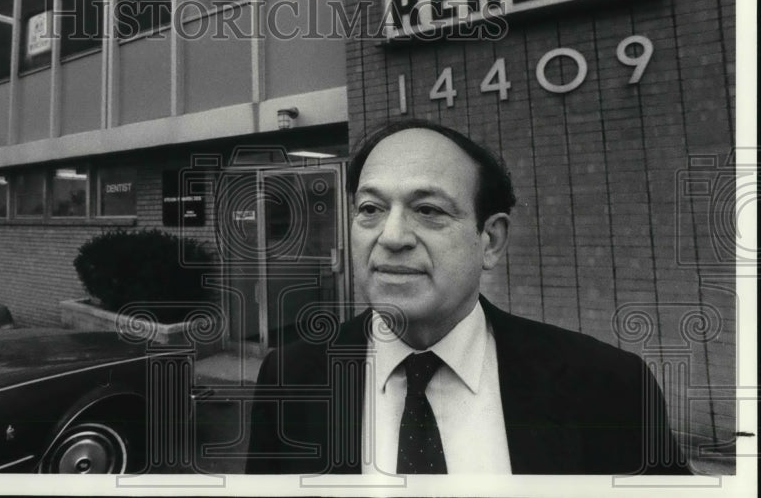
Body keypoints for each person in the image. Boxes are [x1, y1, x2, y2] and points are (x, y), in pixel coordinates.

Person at [246, 119, 688, 474]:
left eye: (428, 210)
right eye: (370, 209)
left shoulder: (607, 386)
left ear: (490, 241)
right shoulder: (292, 378)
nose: (392, 236)